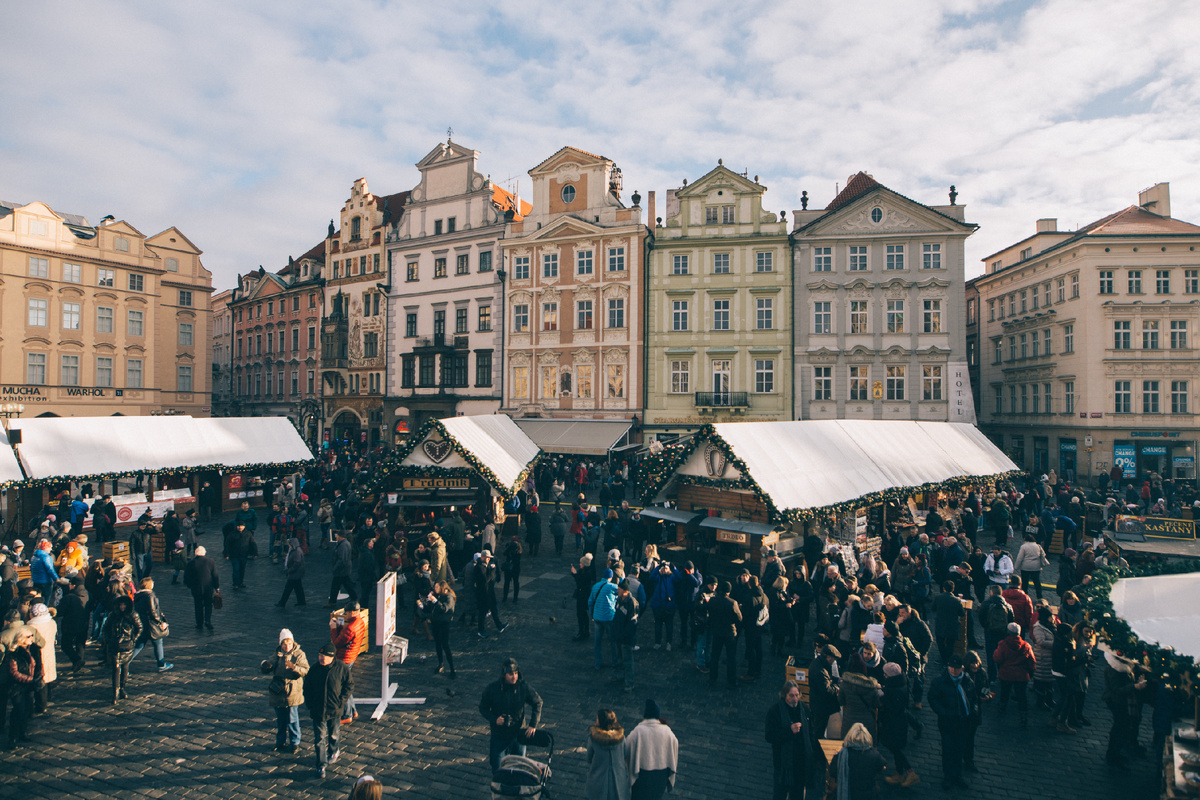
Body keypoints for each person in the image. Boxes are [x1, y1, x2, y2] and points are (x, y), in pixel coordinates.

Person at [479, 657, 544, 773]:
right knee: (497, 768)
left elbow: (538, 702)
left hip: (518, 734)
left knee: (519, 768)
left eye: (515, 673)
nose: (514, 677)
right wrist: (494, 719)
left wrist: (533, 724)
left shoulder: (523, 687)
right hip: (499, 735)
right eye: (510, 674)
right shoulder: (493, 689)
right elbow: (483, 708)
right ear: (504, 675)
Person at [303, 642, 353, 779]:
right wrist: (310, 704)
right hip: (318, 710)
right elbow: (307, 688)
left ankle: (334, 750)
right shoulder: (314, 669)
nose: (321, 659)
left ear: (332, 657)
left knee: (333, 734)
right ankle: (321, 765)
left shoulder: (341, 668)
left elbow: (349, 685)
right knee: (319, 739)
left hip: (334, 710)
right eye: (320, 655)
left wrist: (341, 701)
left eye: (324, 656)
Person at [927, 653, 975, 789]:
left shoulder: (967, 681)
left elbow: (972, 697)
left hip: (963, 722)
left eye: (957, 668)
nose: (954, 670)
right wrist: (944, 713)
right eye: (951, 667)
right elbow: (932, 699)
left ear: (962, 668)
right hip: (947, 722)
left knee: (959, 749)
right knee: (948, 749)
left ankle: (957, 776)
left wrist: (973, 712)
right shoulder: (939, 682)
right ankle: (948, 776)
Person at [262, 628, 310, 753]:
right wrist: (266, 665)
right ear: (281, 644)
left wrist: (294, 667)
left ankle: (295, 742)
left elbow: (305, 670)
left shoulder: (299, 654)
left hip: (292, 691)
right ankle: (280, 741)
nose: (287, 646)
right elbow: (270, 664)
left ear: (293, 643)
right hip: (278, 691)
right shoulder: (278, 654)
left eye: (289, 643)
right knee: (281, 719)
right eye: (284, 643)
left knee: (292, 719)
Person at [764, 680, 813, 800]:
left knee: (798, 795)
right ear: (784, 695)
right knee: (780, 794)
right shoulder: (775, 711)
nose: (795, 699)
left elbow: (811, 731)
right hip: (783, 764)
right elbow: (770, 736)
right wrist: (789, 732)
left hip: (800, 764)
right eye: (791, 695)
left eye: (797, 695)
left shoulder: (804, 709)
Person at [1102, 645, 1147, 767]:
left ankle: (1115, 753)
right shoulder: (1114, 669)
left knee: (1122, 727)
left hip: (1120, 700)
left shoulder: (1123, 666)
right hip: (1116, 701)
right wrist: (1135, 686)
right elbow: (1117, 690)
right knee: (1119, 728)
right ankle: (1113, 755)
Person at [626, 699, 678, 800]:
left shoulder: (638, 731)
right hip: (661, 775)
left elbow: (627, 746)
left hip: (643, 775)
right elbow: (674, 744)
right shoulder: (667, 730)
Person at [879, 661, 919, 787]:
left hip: (894, 723)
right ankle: (899, 773)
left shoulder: (892, 690)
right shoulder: (901, 684)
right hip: (898, 722)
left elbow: (892, 708)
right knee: (895, 748)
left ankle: (910, 772)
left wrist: (882, 696)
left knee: (895, 748)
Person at [101, 594, 142, 705]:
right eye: (120, 605)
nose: (122, 607)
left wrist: (133, 639)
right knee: (116, 667)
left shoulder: (132, 615)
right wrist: (108, 640)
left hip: (127, 645)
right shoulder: (113, 615)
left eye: (124, 605)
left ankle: (122, 687)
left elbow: (139, 628)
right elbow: (105, 628)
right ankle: (115, 692)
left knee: (124, 667)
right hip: (115, 645)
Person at [992, 622, 1035, 727]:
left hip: (1006, 674)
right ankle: (1023, 717)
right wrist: (1030, 673)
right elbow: (1032, 663)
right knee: (1021, 696)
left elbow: (997, 658)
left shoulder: (1003, 644)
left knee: (1004, 692)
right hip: (1021, 676)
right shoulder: (1026, 646)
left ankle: (1002, 709)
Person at [828, 722, 886, 800]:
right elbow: (881, 768)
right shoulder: (875, 755)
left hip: (848, 794)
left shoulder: (842, 755)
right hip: (869, 795)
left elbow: (832, 772)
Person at [331, 602, 367, 724]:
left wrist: (333, 629)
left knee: (341, 687)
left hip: (344, 658)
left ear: (352, 612)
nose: (345, 614)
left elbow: (336, 642)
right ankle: (353, 710)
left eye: (346, 612)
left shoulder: (351, 628)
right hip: (352, 656)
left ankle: (346, 715)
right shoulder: (360, 622)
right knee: (346, 684)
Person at [3, 626, 38, 749]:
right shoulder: (13, 654)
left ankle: (22, 732)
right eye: (29, 636)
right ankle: (12, 737)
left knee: (26, 710)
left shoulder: (30, 650)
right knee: (18, 710)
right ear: (22, 639)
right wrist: (30, 679)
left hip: (28, 686)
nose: (31, 638)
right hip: (17, 688)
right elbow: (13, 673)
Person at [586, 708, 631, 800]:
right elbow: (625, 754)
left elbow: (588, 758)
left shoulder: (593, 739)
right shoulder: (621, 738)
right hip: (618, 780)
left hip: (598, 780)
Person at [131, 578, 173, 672]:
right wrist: (160, 622)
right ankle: (161, 664)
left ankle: (125, 663)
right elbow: (153, 611)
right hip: (151, 624)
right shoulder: (149, 595)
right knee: (158, 642)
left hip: (142, 622)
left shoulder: (138, 595)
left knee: (139, 644)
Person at [418, 580, 456, 678]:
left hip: (444, 624)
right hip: (435, 623)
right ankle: (440, 663)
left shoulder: (449, 597)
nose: (435, 589)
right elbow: (430, 609)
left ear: (442, 588)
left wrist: (435, 601)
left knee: (445, 646)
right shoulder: (437, 596)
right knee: (438, 644)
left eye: (437, 587)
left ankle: (452, 669)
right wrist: (422, 605)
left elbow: (444, 608)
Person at [707, 581, 742, 689]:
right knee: (731, 658)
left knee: (715, 656)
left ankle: (713, 678)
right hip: (729, 633)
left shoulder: (713, 600)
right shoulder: (732, 603)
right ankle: (732, 680)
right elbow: (739, 618)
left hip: (717, 631)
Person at [612, 578, 640, 692]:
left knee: (627, 660)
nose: (617, 591)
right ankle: (620, 676)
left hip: (626, 637)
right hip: (618, 635)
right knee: (619, 658)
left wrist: (625, 634)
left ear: (625, 591)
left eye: (619, 589)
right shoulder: (619, 599)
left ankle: (629, 682)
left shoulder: (631, 603)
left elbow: (633, 623)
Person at [184, 545, 219, 632]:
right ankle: (208, 620)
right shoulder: (210, 562)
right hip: (208, 587)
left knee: (198, 605)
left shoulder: (191, 563)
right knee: (208, 604)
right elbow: (215, 575)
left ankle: (199, 623)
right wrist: (216, 586)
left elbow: (187, 576)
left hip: (196, 588)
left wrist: (189, 585)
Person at [474, 550, 509, 638]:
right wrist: (492, 570)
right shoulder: (479, 567)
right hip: (483, 593)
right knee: (482, 612)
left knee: (494, 609)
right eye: (487, 558)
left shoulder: (485, 566)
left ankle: (499, 625)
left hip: (489, 592)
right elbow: (486, 579)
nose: (488, 560)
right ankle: (480, 630)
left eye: (489, 558)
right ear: (482, 557)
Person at [932, 580, 963, 663]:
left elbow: (933, 608)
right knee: (950, 644)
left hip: (940, 623)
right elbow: (962, 613)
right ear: (953, 589)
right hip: (952, 625)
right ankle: (948, 659)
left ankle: (943, 658)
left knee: (940, 642)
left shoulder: (938, 597)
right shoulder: (957, 600)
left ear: (943, 588)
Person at [1012, 534, 1048, 601]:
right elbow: (1043, 554)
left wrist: (1016, 566)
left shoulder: (1024, 547)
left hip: (1026, 567)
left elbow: (1020, 558)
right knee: (1037, 581)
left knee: (1025, 582)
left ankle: (1025, 596)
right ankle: (1039, 596)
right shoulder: (1038, 546)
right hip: (1036, 567)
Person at [277, 537, 307, 608]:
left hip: (294, 573)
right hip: (297, 573)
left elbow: (296, 563)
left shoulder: (296, 552)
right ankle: (301, 601)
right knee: (298, 587)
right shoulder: (296, 550)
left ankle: (282, 602)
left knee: (288, 588)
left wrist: (289, 570)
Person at [572, 554, 596, 641]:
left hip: (583, 595)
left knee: (581, 614)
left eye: (581, 563)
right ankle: (584, 631)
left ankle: (582, 632)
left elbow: (580, 581)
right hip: (583, 594)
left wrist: (574, 574)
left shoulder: (587, 573)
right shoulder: (584, 571)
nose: (579, 564)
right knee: (583, 614)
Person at [501, 534, 523, 603]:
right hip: (516, 568)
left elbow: (505, 554)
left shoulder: (512, 548)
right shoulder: (519, 549)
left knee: (507, 583)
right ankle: (515, 598)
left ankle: (505, 597)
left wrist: (509, 547)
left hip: (509, 567)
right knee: (515, 583)